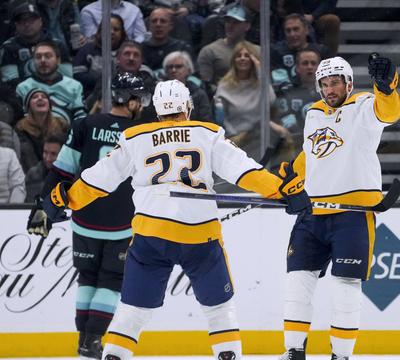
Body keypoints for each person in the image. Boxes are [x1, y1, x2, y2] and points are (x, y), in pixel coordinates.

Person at [39, 79, 310, 360]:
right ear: (188, 107)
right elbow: (244, 171)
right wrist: (282, 190)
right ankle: (227, 354)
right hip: (200, 236)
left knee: (133, 309)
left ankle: (114, 355)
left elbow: (99, 180)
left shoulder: (136, 137)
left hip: (150, 235)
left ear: (156, 111)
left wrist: (62, 199)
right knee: (218, 307)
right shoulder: (207, 133)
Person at [279, 54, 400, 360]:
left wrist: (386, 88)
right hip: (313, 213)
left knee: (345, 285)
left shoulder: (364, 106)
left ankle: (341, 355)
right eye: (324, 84)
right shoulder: (314, 113)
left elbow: (389, 114)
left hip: (353, 213)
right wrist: (292, 176)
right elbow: (312, 154)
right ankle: (294, 351)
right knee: (297, 282)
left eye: (334, 82)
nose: (329, 89)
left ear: (348, 83)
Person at [26, 72, 152, 360]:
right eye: (139, 99)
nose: (142, 105)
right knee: (111, 280)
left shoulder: (86, 124)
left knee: (87, 278)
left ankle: (83, 339)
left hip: (84, 219)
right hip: (121, 223)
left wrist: (42, 206)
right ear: (128, 100)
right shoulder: (140, 133)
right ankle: (93, 340)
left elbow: (61, 169)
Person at [215, 41, 284, 159]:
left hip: (259, 137)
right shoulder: (224, 86)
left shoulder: (260, 84)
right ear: (233, 60)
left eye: (247, 55)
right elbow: (221, 118)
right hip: (235, 140)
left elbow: (271, 101)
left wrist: (260, 71)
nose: (243, 58)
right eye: (239, 56)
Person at [0, 1, 73, 87]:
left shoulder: (57, 45)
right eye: (22, 21)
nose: (26, 24)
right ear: (16, 25)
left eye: (31, 20)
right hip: (23, 94)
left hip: (57, 92)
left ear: (40, 22)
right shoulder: (8, 47)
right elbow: (11, 80)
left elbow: (67, 77)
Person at [16, 40, 86, 124]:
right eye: (38, 57)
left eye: (48, 56)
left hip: (67, 133)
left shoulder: (74, 86)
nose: (43, 60)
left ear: (58, 60)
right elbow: (21, 120)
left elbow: (81, 117)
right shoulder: (23, 87)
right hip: (33, 134)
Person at [197, 3, 257, 91]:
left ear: (247, 26)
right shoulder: (209, 51)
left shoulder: (257, 51)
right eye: (228, 21)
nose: (230, 26)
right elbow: (205, 86)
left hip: (252, 99)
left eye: (236, 22)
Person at [73, 14, 128, 97]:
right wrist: (104, 82)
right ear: (99, 31)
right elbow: (77, 74)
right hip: (92, 95)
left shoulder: (128, 50)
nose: (111, 32)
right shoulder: (87, 49)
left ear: (122, 33)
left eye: (116, 29)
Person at [14, 88, 68, 172]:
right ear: (28, 106)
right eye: (35, 97)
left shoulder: (61, 124)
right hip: (32, 173)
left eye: (44, 97)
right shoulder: (20, 128)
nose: (40, 98)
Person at [161, 51, 213, 122]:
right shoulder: (157, 94)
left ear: (188, 70)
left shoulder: (199, 94)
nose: (173, 70)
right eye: (170, 67)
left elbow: (206, 122)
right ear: (165, 71)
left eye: (178, 66)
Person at [141, 8, 193, 73]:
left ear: (170, 26)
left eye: (163, 21)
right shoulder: (140, 49)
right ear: (149, 26)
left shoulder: (181, 48)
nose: (158, 25)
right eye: (154, 21)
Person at [80, 0, 147, 43]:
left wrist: (130, 46)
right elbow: (92, 40)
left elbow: (141, 36)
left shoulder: (134, 10)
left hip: (129, 53)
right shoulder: (89, 11)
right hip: (101, 54)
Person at [25, 132, 65, 200]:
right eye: (45, 152)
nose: (48, 158)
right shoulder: (33, 174)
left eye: (53, 154)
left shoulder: (73, 177)